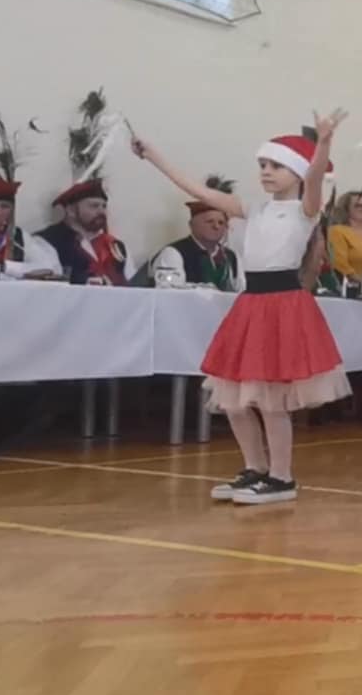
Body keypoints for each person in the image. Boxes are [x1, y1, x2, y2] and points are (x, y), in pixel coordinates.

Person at [130, 118, 350, 504]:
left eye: (275, 165)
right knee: (232, 398)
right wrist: (153, 157)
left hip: (284, 306)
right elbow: (197, 190)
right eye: (262, 165)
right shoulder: (253, 209)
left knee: (272, 401)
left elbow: (315, 177)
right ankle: (255, 468)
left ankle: (282, 477)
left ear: (296, 171)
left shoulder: (306, 210)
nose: (265, 171)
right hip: (251, 305)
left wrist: (324, 143)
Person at [147, 180, 244, 291]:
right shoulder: (173, 253)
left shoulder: (231, 257)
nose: (216, 226)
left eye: (221, 222)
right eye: (209, 221)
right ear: (192, 225)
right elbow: (169, 291)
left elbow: (241, 291)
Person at [0, 173, 60, 279]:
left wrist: (5, 267)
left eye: (5, 206)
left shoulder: (17, 235)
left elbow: (49, 267)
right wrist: (23, 272)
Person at [36, 179, 133, 285]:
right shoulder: (47, 241)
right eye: (94, 206)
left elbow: (135, 286)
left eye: (104, 206)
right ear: (71, 211)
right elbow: (47, 283)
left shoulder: (116, 246)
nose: (102, 211)